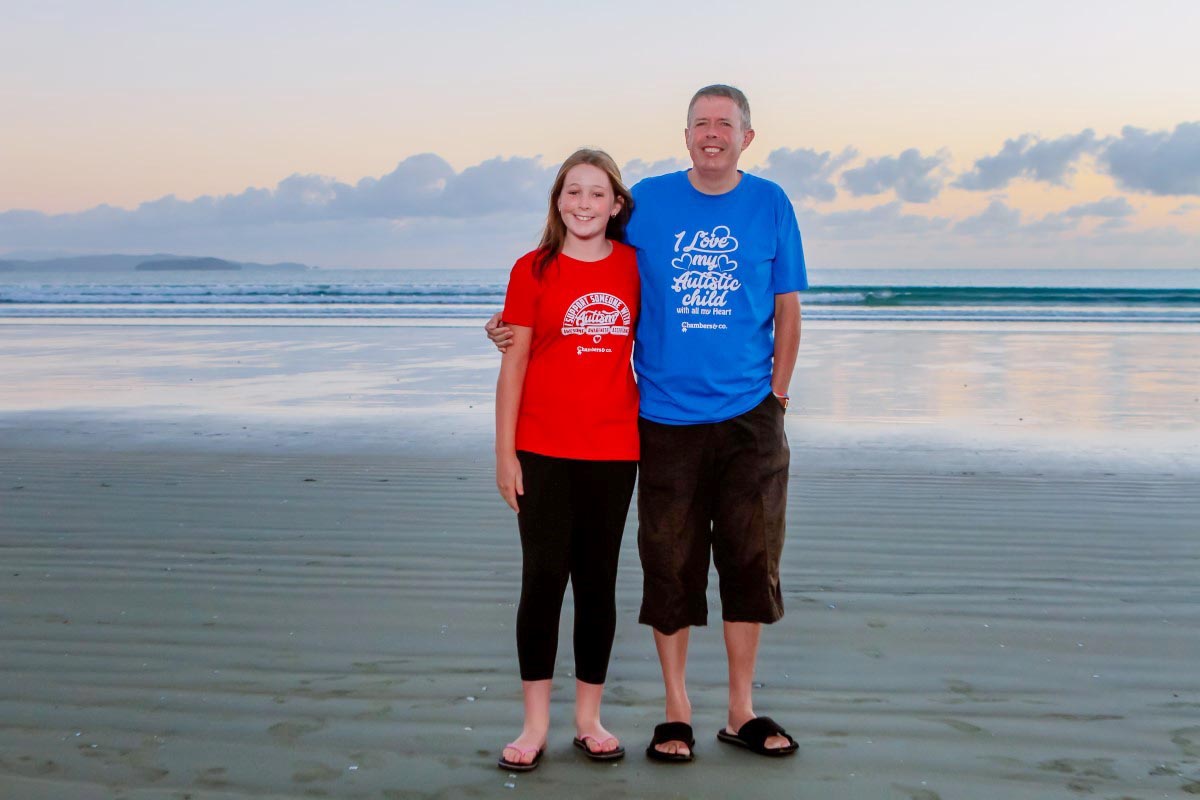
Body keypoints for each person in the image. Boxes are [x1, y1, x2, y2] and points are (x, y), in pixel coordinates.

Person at [488, 85, 806, 762]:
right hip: (661, 420)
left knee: (750, 562)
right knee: (669, 566)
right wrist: (508, 327)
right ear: (685, 133)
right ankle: (675, 712)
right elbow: (574, 260)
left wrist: (776, 396)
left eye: (725, 123)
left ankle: (741, 710)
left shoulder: (771, 203)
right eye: (700, 123)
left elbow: (787, 309)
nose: (712, 133)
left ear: (747, 136)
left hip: (749, 417)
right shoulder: (650, 206)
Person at [493, 148, 640, 772]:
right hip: (542, 449)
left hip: (614, 449)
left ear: (616, 205)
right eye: (573, 192)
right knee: (543, 581)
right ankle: (534, 726)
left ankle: (588, 719)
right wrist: (504, 452)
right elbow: (515, 362)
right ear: (559, 202)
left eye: (597, 193)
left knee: (598, 585)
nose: (584, 204)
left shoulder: (637, 266)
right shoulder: (533, 269)